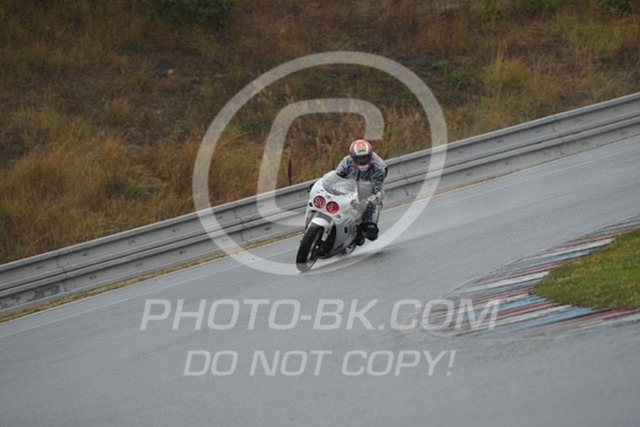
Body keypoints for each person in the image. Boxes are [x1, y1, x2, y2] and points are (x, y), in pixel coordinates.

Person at [335, 139, 387, 245]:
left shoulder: (379, 167)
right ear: (352, 157)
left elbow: (377, 190)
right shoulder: (347, 161)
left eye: (365, 157)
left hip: (367, 194)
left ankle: (360, 231)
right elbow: (336, 176)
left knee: (370, 232)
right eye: (359, 158)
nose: (362, 160)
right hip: (347, 189)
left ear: (370, 156)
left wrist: (368, 201)